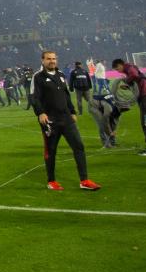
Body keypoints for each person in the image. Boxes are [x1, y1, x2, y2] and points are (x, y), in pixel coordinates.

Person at [30, 50, 101, 191]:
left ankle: (84, 180)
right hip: (50, 120)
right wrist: (40, 113)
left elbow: (66, 95)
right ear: (42, 60)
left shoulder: (61, 75)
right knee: (51, 151)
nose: (52, 61)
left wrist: (73, 111)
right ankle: (51, 181)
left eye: (54, 58)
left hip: (66, 118)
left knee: (79, 146)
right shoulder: (37, 77)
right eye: (49, 59)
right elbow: (34, 97)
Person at [113, 58, 146, 155]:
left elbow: (134, 75)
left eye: (117, 69)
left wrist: (127, 82)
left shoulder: (129, 68)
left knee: (145, 123)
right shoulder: (130, 68)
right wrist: (128, 85)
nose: (118, 71)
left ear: (120, 65)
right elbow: (137, 80)